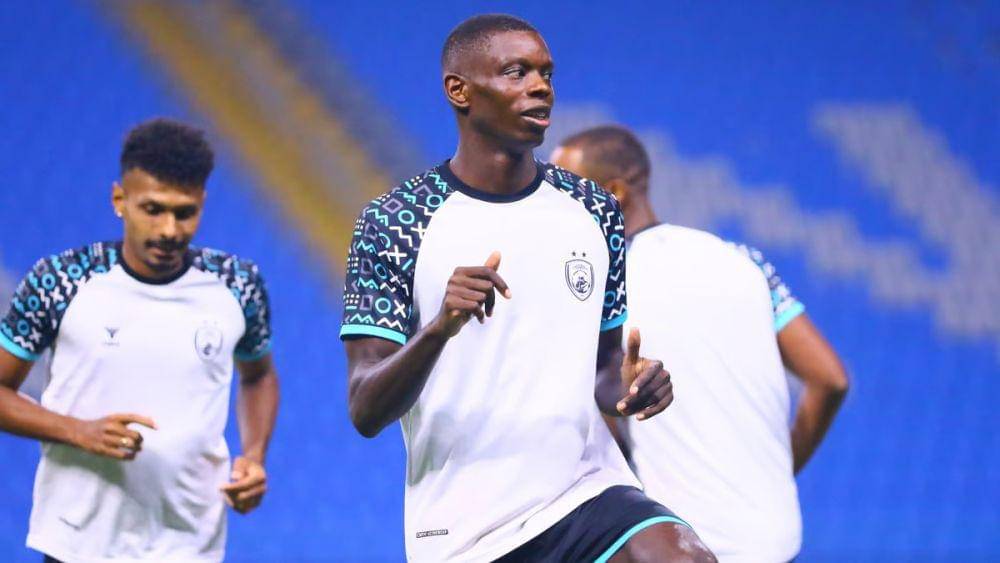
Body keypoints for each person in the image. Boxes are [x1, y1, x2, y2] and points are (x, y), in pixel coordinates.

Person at [340, 13, 715, 563]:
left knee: (681, 555)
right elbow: (365, 408)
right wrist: (439, 329)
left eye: (546, 73)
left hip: (586, 491)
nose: (541, 87)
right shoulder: (395, 222)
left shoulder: (594, 209)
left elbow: (605, 369)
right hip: (466, 527)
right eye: (517, 72)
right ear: (459, 90)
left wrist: (634, 386)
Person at [551, 125, 850, 562]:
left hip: (676, 545)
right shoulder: (745, 261)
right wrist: (778, 475)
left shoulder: (597, 284)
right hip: (771, 541)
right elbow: (830, 379)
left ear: (613, 193)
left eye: (567, 191)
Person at [0, 118, 279, 562]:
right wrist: (77, 431)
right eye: (153, 209)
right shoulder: (61, 280)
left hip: (189, 544)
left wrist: (255, 456)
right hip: (77, 543)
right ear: (120, 200)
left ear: (202, 203)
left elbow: (258, 376)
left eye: (184, 212)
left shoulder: (237, 284)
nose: (169, 229)